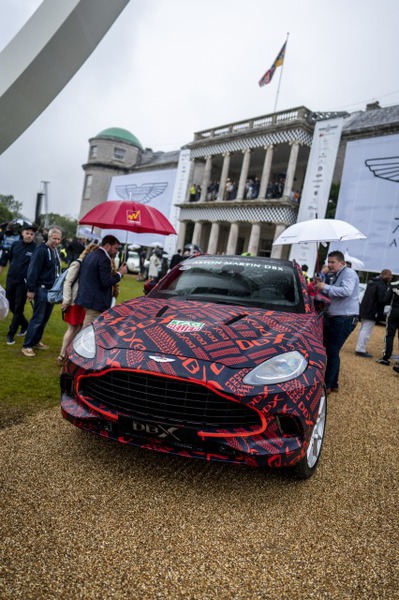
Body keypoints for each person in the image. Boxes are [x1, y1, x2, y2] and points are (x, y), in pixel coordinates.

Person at [314, 250, 360, 395]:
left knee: (332, 350)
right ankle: (333, 384)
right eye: (329, 262)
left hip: (345, 318)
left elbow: (346, 291)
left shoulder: (349, 274)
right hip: (337, 316)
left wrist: (325, 287)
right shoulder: (336, 274)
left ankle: (326, 386)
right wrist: (321, 286)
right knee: (332, 350)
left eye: (333, 262)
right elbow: (333, 293)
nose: (330, 265)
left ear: (342, 263)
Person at [21, 227, 63, 357]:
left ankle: (36, 341)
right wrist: (31, 289)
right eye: (54, 238)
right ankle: (27, 345)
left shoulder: (55, 251)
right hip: (41, 289)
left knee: (44, 318)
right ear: (48, 237)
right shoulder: (41, 250)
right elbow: (33, 270)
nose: (56, 241)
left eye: (58, 239)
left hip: (52, 290)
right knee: (37, 318)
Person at [58, 242, 99, 364]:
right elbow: (67, 282)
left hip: (83, 301)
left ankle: (69, 353)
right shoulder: (78, 263)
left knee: (80, 328)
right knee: (72, 328)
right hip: (74, 301)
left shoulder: (89, 266)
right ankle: (61, 354)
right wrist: (66, 300)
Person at [75, 235, 127, 328]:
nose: (117, 252)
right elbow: (106, 282)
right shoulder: (104, 259)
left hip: (86, 298)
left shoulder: (91, 254)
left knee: (87, 329)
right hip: (96, 302)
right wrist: (119, 273)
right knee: (88, 332)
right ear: (107, 246)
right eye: (115, 248)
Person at [5, 224, 37, 345]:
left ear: (34, 236)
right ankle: (24, 324)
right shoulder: (15, 244)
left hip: (23, 283)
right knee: (10, 304)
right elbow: (10, 259)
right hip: (11, 279)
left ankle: (11, 334)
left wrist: (31, 287)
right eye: (27, 233)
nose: (29, 236)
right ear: (22, 233)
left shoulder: (35, 248)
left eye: (31, 234)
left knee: (18, 307)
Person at [355, 269, 392, 358]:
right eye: (389, 275)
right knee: (366, 331)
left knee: (363, 329)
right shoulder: (381, 285)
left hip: (365, 309)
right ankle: (360, 349)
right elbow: (381, 299)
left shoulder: (372, 282)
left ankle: (360, 347)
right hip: (372, 310)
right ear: (384, 275)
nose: (391, 277)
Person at [376, 279, 399, 367]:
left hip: (394, 312)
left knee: (389, 335)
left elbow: (386, 299)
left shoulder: (394, 284)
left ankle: (386, 358)